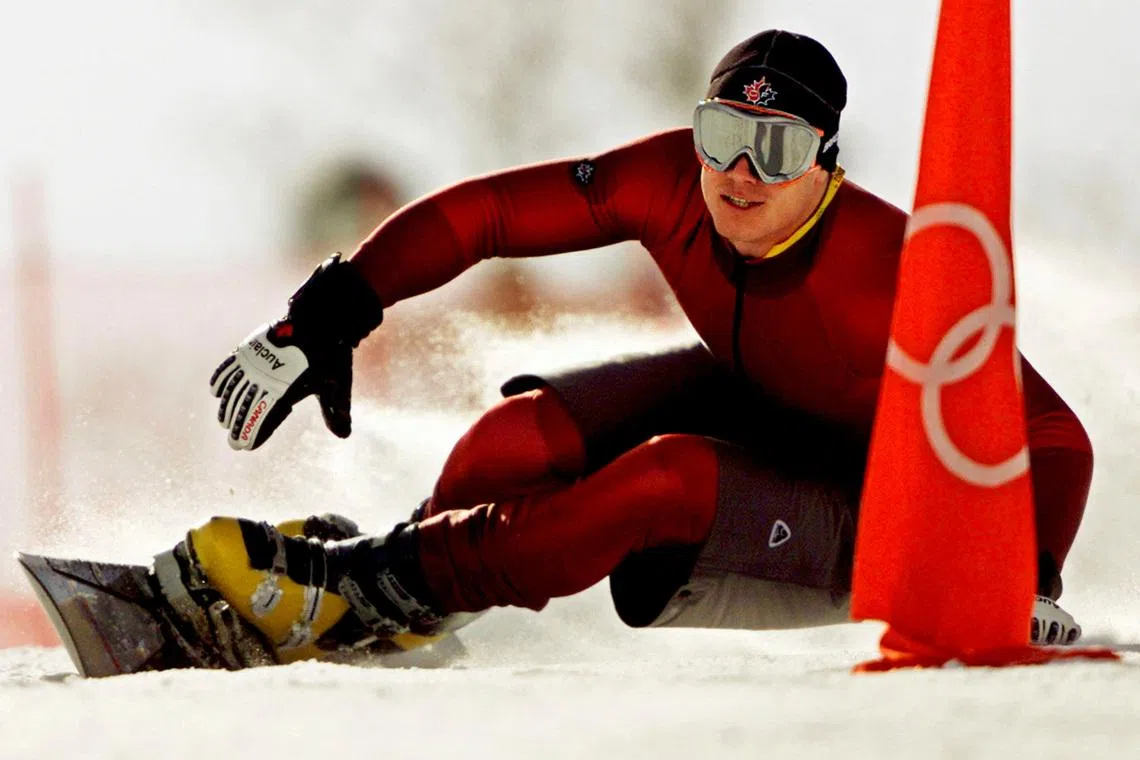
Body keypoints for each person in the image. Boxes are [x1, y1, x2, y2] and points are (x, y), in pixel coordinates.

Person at [195, 29, 1090, 665]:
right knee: (514, 438)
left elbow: (1055, 434)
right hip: (754, 396)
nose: (740, 174)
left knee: (663, 479)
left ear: (826, 160)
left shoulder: (893, 272)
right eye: (723, 136)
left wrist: (1032, 577)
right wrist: (331, 310)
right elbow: (491, 215)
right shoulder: (669, 180)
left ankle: (367, 582)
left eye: (775, 149)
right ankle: (403, 589)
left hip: (867, 504)